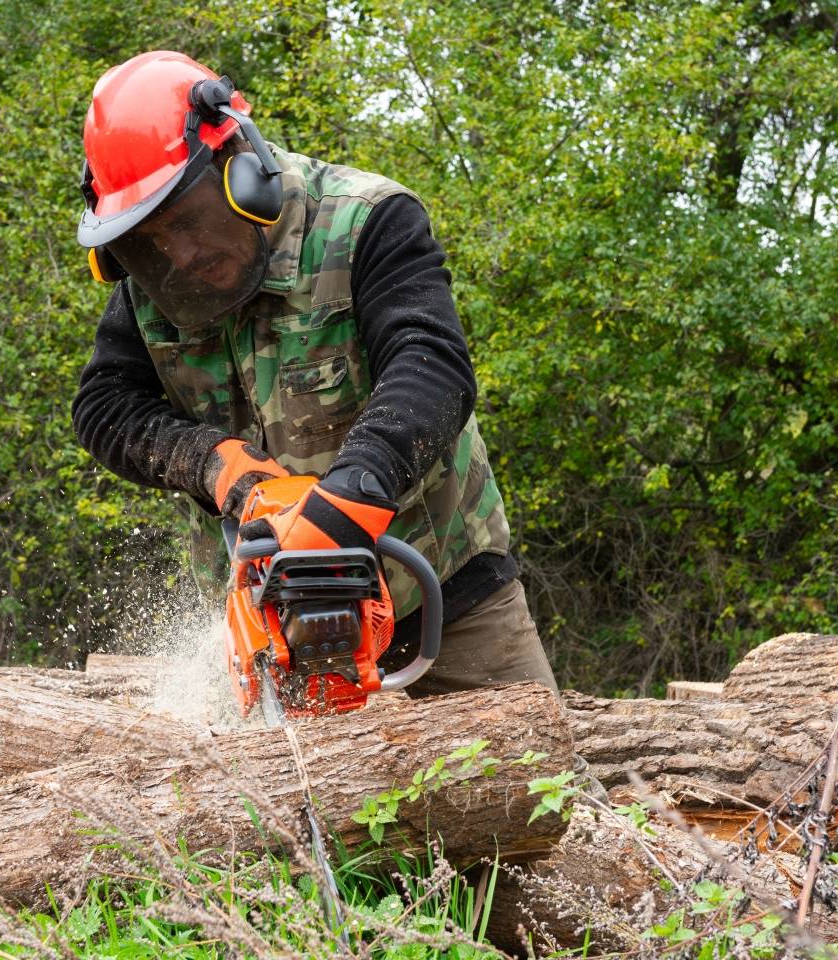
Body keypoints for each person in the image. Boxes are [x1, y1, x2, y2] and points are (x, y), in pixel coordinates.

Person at [71, 50, 560, 702]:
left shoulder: (366, 222)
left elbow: (431, 365)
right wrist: (210, 462)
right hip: (277, 615)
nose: (180, 254)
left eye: (189, 220)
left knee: (528, 786)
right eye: (153, 240)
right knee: (270, 801)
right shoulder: (153, 286)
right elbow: (104, 403)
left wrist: (352, 496)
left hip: (443, 590)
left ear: (242, 169)